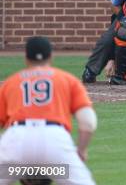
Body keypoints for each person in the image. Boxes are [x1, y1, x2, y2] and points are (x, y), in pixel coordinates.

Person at [0, 36, 97, 185]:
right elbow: (88, 123)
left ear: (26, 58)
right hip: (55, 141)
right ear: (51, 57)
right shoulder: (68, 80)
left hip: (17, 139)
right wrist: (81, 150)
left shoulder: (10, 83)